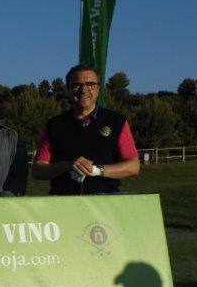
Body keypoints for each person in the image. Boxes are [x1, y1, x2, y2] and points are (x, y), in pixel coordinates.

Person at [31, 64, 140, 194]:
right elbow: (38, 170)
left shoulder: (117, 121)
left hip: (106, 202)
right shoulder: (54, 125)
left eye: (90, 84)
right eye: (77, 85)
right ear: (68, 89)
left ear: (98, 89)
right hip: (63, 202)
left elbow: (134, 166)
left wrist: (96, 170)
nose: (84, 90)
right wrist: (69, 165)